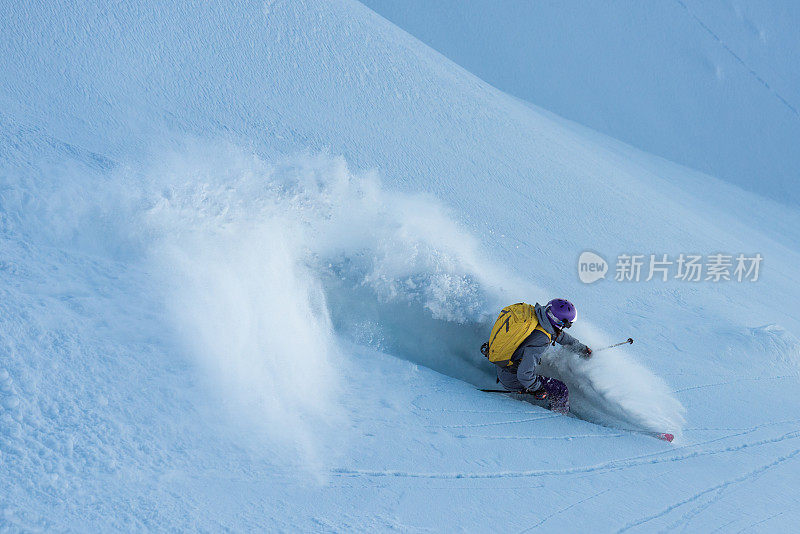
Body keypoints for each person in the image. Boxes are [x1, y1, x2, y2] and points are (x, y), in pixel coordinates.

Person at [481, 299, 591, 414]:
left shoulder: (538, 316)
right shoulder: (541, 339)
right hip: (512, 378)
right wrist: (538, 388)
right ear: (560, 323)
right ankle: (559, 419)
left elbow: (559, 335)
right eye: (568, 324)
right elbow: (524, 375)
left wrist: (581, 349)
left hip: (504, 365)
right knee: (560, 389)